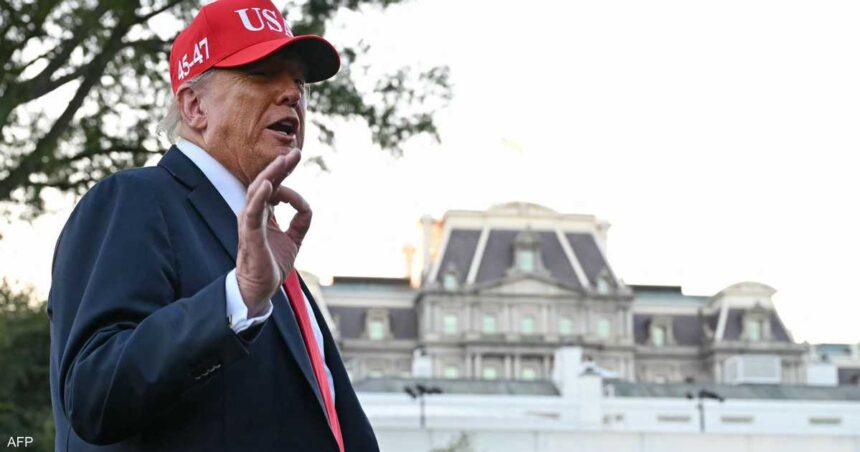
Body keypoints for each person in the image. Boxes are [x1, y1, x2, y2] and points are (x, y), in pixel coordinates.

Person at [47, 0, 379, 450]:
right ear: (194, 106)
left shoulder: (269, 252)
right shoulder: (134, 200)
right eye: (262, 73)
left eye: (299, 82)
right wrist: (236, 297)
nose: (292, 94)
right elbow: (93, 394)